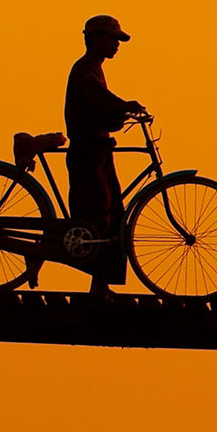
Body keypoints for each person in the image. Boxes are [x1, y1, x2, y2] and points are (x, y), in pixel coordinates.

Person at [64, 15, 147, 294]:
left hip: (98, 153)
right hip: (87, 154)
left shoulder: (94, 68)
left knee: (112, 216)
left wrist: (119, 114)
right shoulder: (85, 69)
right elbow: (99, 99)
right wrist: (124, 106)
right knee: (98, 216)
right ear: (96, 38)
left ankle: (99, 283)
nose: (116, 45)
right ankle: (97, 284)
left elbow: (101, 110)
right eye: (113, 39)